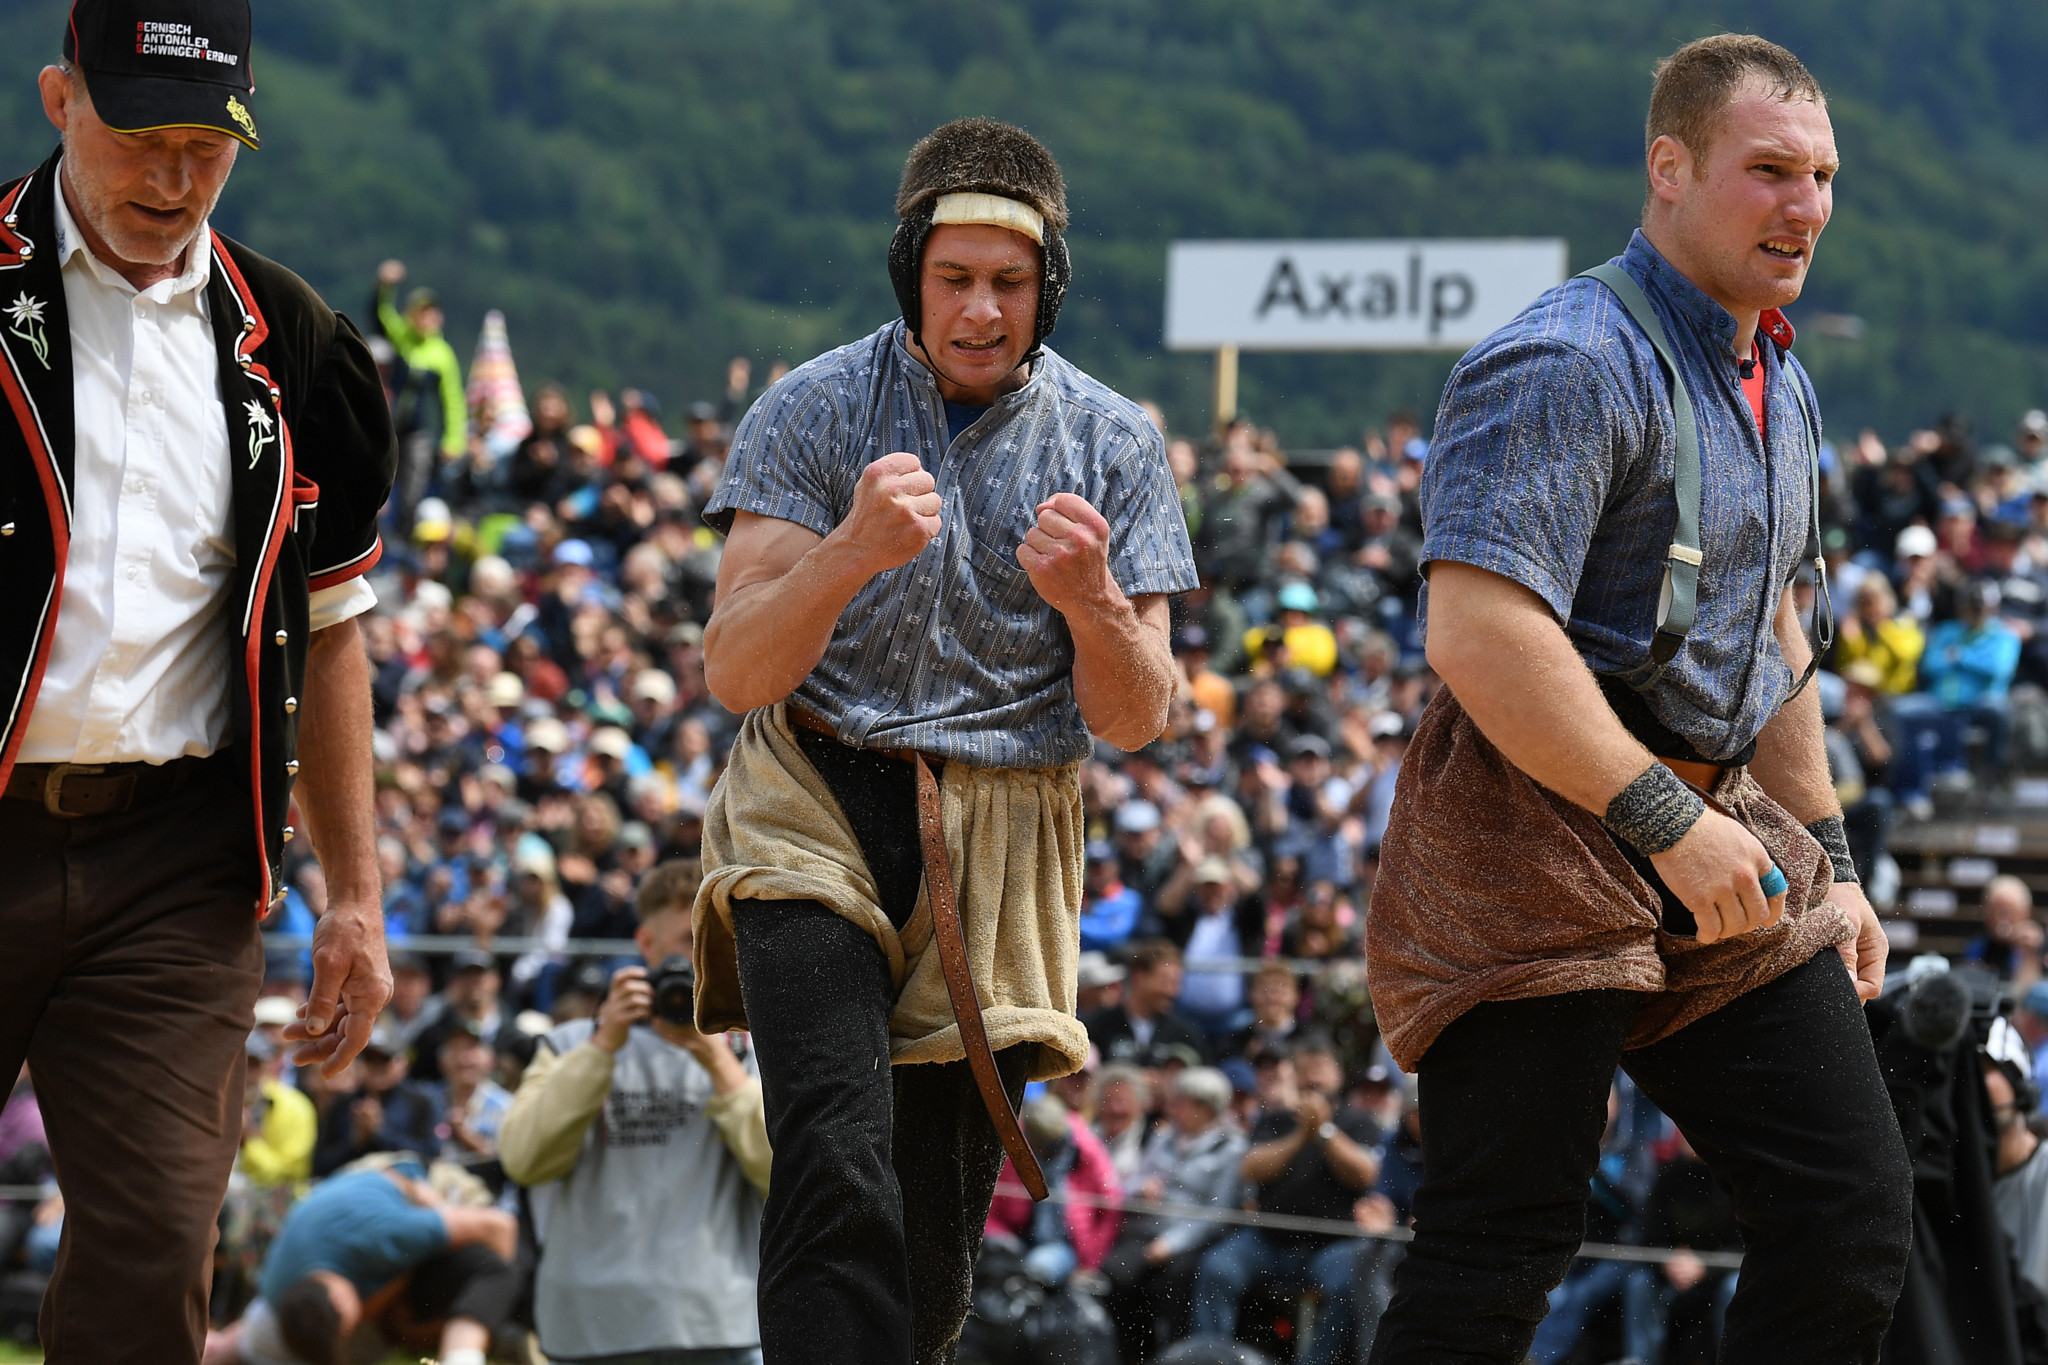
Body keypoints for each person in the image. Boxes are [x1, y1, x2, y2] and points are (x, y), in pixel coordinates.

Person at [1364, 35, 1911, 1363]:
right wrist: (1667, 817)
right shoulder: (1564, 358)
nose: (1807, 206)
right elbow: (1479, 629)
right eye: (1770, 170)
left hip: (1708, 812)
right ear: (1669, 169)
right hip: (1524, 825)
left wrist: (1829, 859)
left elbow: (1771, 629)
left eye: (1824, 175)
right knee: (1505, 1242)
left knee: (1852, 1209)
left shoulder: (1781, 378)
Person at [691, 116, 1196, 1365]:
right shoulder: (810, 405)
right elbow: (733, 668)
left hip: (1005, 827)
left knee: (933, 1224)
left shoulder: (1118, 441)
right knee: (835, 1151)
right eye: (953, 279)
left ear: (1050, 289)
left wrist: (1090, 604)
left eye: (1008, 284)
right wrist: (849, 552)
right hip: (809, 790)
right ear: (908, 275)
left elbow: (1140, 716)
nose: (980, 310)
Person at [0, 6, 395, 1358]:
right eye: (139, 135)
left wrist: (356, 896)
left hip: (177, 859)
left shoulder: (295, 341)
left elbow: (335, 626)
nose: (171, 180)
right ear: (58, 99)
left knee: (161, 1235)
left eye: (205, 144)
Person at [500, 859, 771, 1365]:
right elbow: (523, 1159)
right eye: (684, 945)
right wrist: (602, 1047)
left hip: (717, 1324)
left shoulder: (751, 1052)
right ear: (645, 946)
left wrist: (716, 1060)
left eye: (714, 942)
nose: (700, 961)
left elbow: (786, 1175)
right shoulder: (570, 1044)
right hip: (591, 1327)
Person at [209, 1163, 521, 1365]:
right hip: (357, 1195)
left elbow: (499, 1226)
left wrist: (493, 1312)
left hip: (420, 1186)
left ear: (348, 1302)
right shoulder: (277, 1294)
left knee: (488, 1269)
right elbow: (249, 1333)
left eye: (349, 1327)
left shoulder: (388, 1238)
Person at [1189, 1035, 1379, 1364]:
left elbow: (1365, 1174)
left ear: (1339, 1073)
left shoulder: (1358, 1121)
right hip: (1268, 1242)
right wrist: (1299, 1137)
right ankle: (1211, 1358)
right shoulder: (1276, 1120)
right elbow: (1251, 1168)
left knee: (1354, 1283)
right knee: (1215, 1269)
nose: (1313, 1077)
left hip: (1333, 1246)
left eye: (1322, 1065)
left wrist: (1324, 1132)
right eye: (1305, 1067)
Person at [1101, 1066, 1246, 1362]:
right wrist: (1141, 1188)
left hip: (1193, 1241)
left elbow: (1218, 1214)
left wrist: (1171, 1244)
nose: (1173, 1109)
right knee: (1114, 1276)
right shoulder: (1163, 1138)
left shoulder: (1231, 1149)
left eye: (1181, 1102)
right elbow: (1126, 1185)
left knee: (1171, 1287)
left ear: (1204, 1107)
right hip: (1147, 1231)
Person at [1084, 938, 1211, 1069]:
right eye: (1165, 982)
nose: (1172, 992)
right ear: (1139, 976)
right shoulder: (1099, 1027)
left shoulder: (1185, 1034)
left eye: (1176, 983)